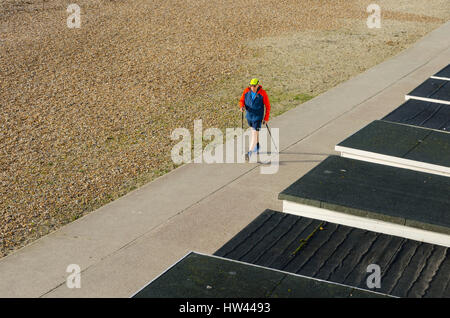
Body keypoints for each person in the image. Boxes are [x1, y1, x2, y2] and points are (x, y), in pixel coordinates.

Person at [239, 78, 271, 161]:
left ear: (257, 85)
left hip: (257, 117)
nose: (252, 87)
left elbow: (268, 106)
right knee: (254, 133)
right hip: (249, 116)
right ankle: (257, 146)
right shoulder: (246, 91)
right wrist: (241, 106)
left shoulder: (263, 93)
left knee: (253, 134)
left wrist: (266, 118)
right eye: (251, 85)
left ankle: (249, 153)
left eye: (254, 86)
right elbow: (242, 100)